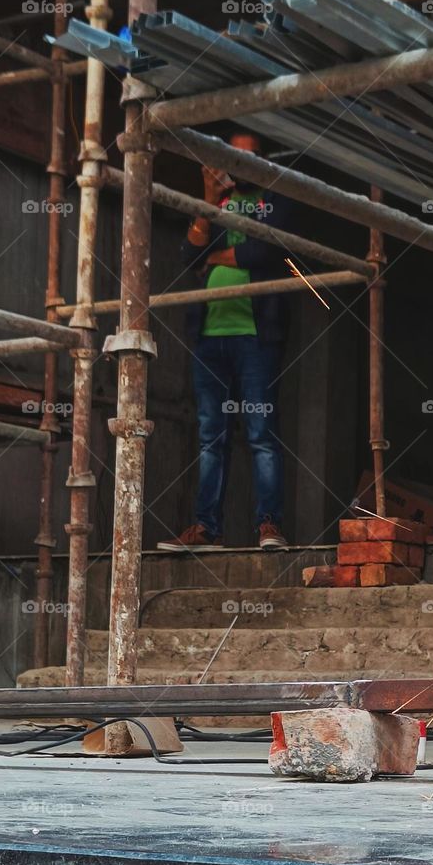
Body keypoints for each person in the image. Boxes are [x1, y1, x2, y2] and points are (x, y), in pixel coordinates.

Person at [158, 130, 292, 552]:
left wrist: (211, 257)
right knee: (210, 435)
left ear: (263, 161)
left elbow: (264, 253)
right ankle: (206, 530)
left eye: (248, 155)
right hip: (210, 337)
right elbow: (187, 253)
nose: (239, 161)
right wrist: (207, 200)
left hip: (256, 336)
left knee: (260, 434)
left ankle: (269, 525)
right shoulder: (216, 205)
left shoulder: (273, 200)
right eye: (232, 154)